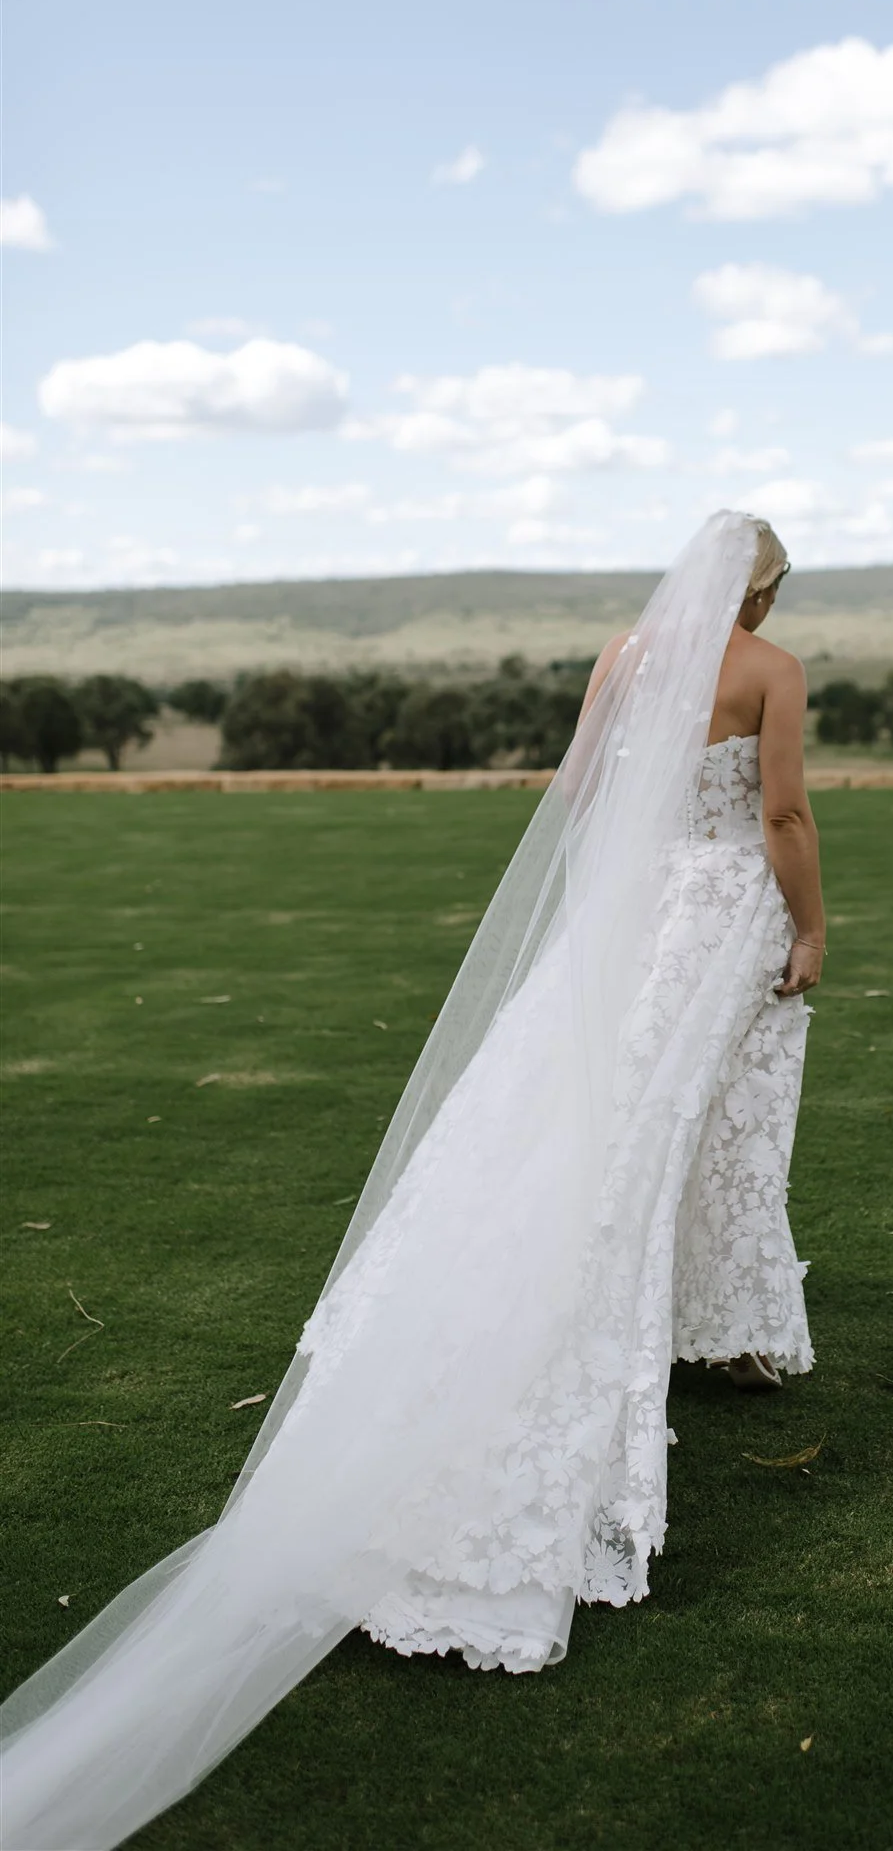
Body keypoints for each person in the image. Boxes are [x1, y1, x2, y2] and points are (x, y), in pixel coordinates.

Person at [0, 510, 825, 1851]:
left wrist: (620, 887)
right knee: (679, 1135)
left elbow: (575, 792)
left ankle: (730, 1331)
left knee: (585, 1133)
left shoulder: (623, 654)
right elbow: (781, 807)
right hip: (718, 909)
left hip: (627, 918)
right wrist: (811, 922)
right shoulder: (771, 668)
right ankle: (659, 1347)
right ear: (769, 588)